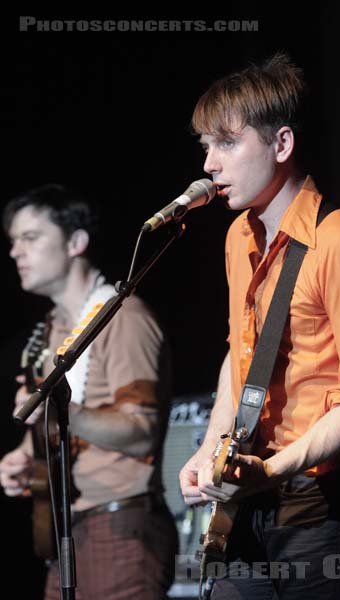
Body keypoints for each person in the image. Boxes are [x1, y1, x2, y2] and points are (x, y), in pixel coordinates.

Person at [179, 53, 340, 599]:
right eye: (206, 146)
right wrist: (210, 448)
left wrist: (273, 469)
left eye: (226, 143)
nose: (210, 164)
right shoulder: (238, 238)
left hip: (327, 513)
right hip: (252, 498)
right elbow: (241, 355)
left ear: (281, 144)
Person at [0, 183, 178, 600]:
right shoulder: (54, 330)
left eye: (30, 238)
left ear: (76, 241)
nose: (15, 252)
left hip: (120, 528)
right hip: (71, 531)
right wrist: (24, 460)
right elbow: (60, 429)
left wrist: (64, 409)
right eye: (12, 242)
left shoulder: (123, 318)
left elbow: (142, 431)